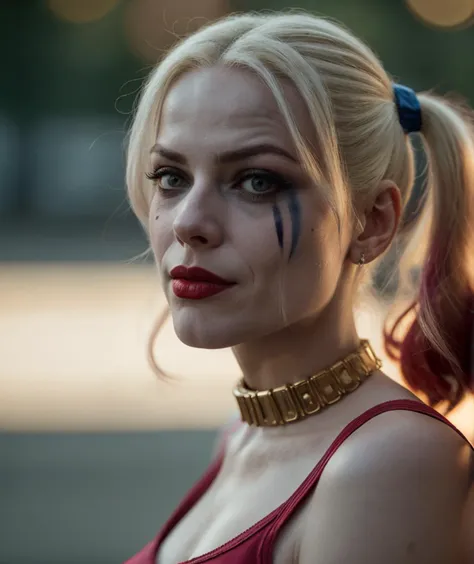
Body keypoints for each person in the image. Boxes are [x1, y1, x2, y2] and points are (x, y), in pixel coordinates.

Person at [124, 11, 474, 564]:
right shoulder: (239, 436)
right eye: (171, 176)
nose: (190, 221)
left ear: (373, 221)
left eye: (256, 181)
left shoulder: (391, 464)